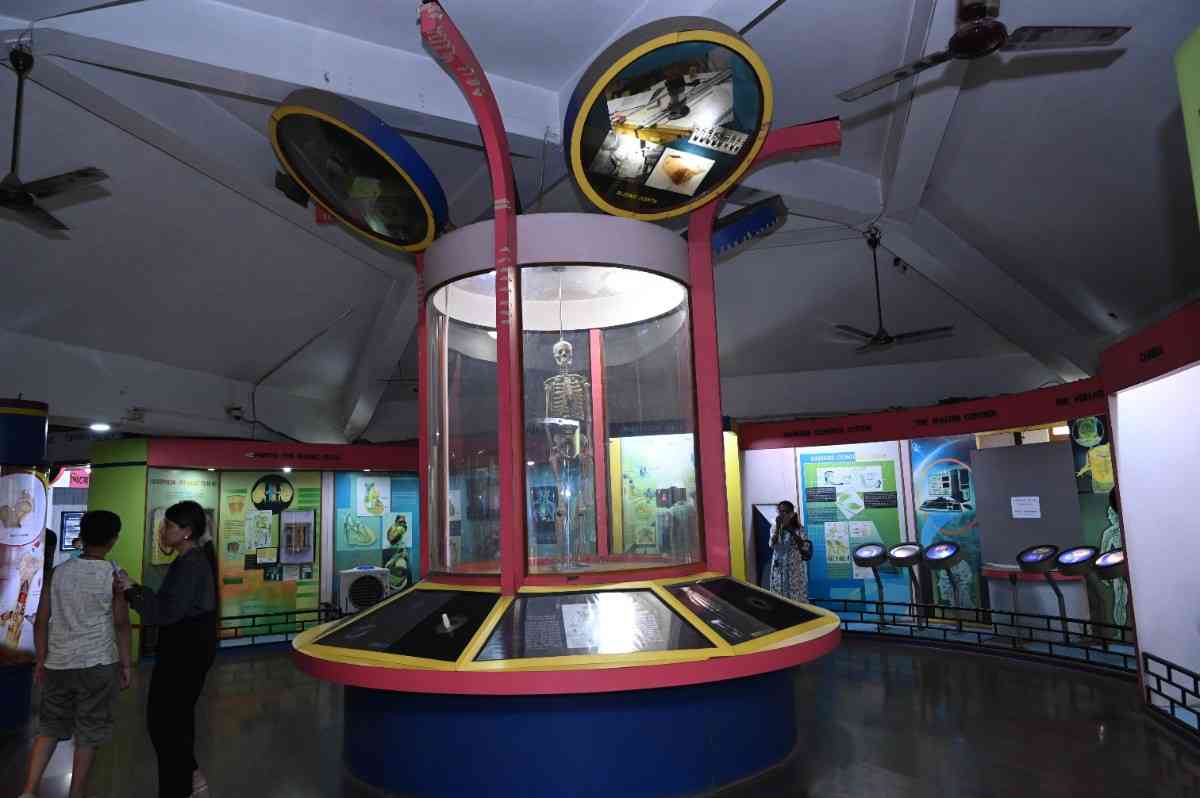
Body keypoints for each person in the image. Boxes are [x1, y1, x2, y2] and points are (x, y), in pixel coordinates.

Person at [20, 510, 132, 798]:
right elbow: (121, 623)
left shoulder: (58, 573)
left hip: (58, 663)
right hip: (98, 663)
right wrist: (127, 664)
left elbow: (41, 620)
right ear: (113, 539)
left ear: (82, 535)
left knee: (49, 728)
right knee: (89, 733)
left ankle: (29, 790)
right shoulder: (113, 576)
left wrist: (41, 659)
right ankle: (76, 793)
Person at [117, 500, 218, 798]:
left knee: (165, 725)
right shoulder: (189, 560)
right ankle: (188, 779)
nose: (163, 531)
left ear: (187, 532)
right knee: (174, 722)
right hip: (184, 651)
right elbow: (169, 604)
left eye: (169, 526)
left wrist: (132, 592)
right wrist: (135, 588)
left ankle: (179, 786)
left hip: (184, 655)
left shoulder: (192, 564)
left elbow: (166, 612)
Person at [768, 501, 810, 603]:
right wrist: (778, 528)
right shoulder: (774, 528)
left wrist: (791, 530)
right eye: (780, 512)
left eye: (785, 512)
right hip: (779, 570)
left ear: (792, 513)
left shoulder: (799, 529)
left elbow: (804, 547)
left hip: (794, 570)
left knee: (796, 599)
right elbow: (772, 545)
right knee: (779, 599)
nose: (782, 514)